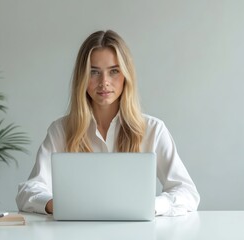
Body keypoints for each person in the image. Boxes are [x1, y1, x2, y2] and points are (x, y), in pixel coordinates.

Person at [16, 30, 200, 216]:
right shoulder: (61, 130)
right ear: (82, 77)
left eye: (114, 71)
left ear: (126, 75)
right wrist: (54, 205)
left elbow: (187, 192)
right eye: (94, 72)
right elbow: (28, 191)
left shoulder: (153, 130)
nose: (104, 82)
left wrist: (150, 206)